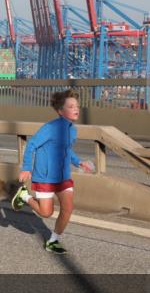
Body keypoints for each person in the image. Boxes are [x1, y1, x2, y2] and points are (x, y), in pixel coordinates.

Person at [11, 89, 94, 254]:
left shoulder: (72, 130)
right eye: (71, 106)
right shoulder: (50, 128)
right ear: (60, 111)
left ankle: (53, 241)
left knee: (68, 208)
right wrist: (26, 168)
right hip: (45, 177)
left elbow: (67, 150)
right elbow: (32, 145)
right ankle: (24, 196)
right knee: (46, 213)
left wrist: (79, 162)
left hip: (63, 177)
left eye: (76, 105)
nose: (76, 109)